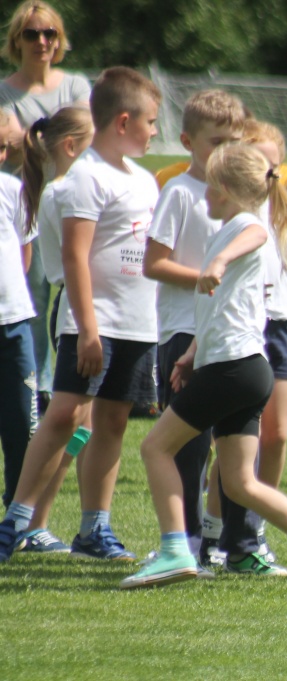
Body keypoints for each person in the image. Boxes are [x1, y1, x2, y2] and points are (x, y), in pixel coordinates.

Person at [120, 142, 287, 590]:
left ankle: (175, 550)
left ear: (226, 189)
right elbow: (230, 309)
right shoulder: (228, 228)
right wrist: (192, 353)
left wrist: (220, 259)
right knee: (241, 482)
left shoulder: (244, 224)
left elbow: (256, 234)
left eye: (211, 186)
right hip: (247, 368)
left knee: (155, 448)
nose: (205, 194)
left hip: (232, 369)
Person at [0, 66, 160, 563]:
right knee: (67, 413)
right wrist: (89, 329)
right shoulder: (86, 178)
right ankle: (17, 522)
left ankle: (94, 529)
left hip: (139, 322)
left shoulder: (145, 180)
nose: (155, 131)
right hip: (92, 322)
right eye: (151, 122)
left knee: (111, 420)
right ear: (124, 121)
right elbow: (74, 257)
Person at [142, 89, 287, 577]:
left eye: (234, 140)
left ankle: (238, 544)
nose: (225, 150)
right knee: (187, 446)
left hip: (227, 339)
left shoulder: (241, 200)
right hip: (186, 330)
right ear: (188, 141)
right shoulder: (182, 193)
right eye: (216, 141)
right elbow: (155, 264)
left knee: (233, 452)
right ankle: (182, 545)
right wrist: (210, 274)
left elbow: (255, 244)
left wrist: (222, 275)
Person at [0, 0, 91, 416]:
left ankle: (76, 376)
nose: (42, 41)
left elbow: (82, 137)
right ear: (16, 39)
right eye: (32, 33)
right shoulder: (5, 91)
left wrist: (29, 140)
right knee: (32, 296)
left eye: (50, 33)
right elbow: (13, 146)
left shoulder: (74, 86)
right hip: (26, 205)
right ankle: (35, 384)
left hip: (74, 203)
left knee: (76, 291)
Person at [14, 105, 93, 553]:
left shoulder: (68, 188)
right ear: (71, 146)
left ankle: (35, 520)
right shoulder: (64, 191)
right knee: (66, 420)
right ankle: (29, 519)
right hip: (76, 309)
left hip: (94, 307)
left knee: (83, 425)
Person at [0, 109, 37, 519]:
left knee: (23, 424)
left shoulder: (13, 190)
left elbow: (23, 252)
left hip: (14, 323)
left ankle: (18, 514)